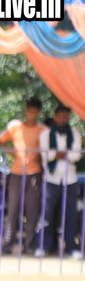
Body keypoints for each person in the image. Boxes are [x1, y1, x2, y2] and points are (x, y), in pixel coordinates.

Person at [0, 97, 48, 255]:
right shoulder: (15, 127)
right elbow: (1, 139)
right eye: (29, 111)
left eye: (34, 111)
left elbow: (46, 150)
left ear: (38, 113)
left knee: (32, 212)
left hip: (34, 174)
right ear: (26, 111)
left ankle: (30, 246)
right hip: (16, 173)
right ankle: (7, 245)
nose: (31, 114)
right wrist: (12, 153)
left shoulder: (43, 130)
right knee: (13, 211)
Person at [39, 103, 83, 258]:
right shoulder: (45, 134)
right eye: (60, 117)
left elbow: (76, 156)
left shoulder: (75, 134)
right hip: (51, 178)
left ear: (68, 118)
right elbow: (45, 155)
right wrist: (65, 154)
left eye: (65, 117)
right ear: (55, 117)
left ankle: (70, 247)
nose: (62, 119)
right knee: (47, 213)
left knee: (70, 214)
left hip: (70, 179)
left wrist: (56, 154)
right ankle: (44, 245)